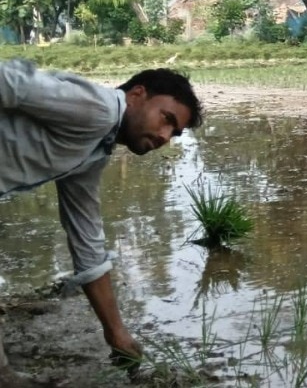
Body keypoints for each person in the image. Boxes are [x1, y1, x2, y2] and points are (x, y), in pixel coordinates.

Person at [0, 59, 203, 377]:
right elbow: (10, 80)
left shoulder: (93, 150)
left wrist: (116, 333)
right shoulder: (97, 109)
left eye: (174, 133)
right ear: (137, 94)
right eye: (166, 119)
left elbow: (88, 245)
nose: (165, 136)